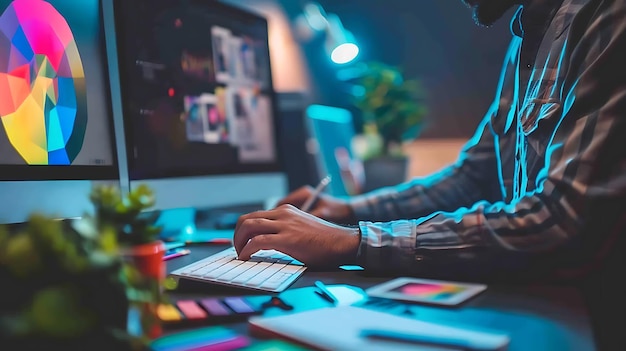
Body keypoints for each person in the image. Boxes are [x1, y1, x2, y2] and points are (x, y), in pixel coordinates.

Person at [234, 0, 625, 349]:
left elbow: (562, 221)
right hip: (552, 302)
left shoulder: (608, 16)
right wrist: (345, 210)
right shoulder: (527, 38)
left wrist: (353, 242)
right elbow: (473, 178)